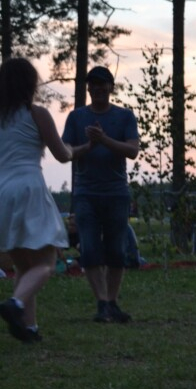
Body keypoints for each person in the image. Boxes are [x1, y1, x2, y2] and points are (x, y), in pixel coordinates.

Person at [0, 58, 73, 342]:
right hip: (28, 188)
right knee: (46, 261)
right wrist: (78, 150)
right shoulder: (37, 114)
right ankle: (15, 304)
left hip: (2, 192)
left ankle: (28, 327)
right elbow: (62, 154)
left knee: (23, 265)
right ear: (30, 84)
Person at [62, 65, 140, 324]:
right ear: (88, 88)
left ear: (111, 87)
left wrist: (104, 140)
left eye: (102, 84)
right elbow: (66, 153)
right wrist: (90, 145)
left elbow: (132, 151)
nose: (97, 88)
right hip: (85, 194)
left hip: (117, 194)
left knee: (117, 250)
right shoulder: (76, 118)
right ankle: (102, 303)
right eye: (93, 84)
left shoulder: (125, 116)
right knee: (91, 249)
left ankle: (112, 302)